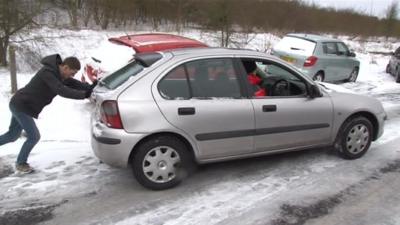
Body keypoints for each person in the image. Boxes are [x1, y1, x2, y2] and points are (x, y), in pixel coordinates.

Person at [0, 54, 96, 174]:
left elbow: (72, 83)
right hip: (21, 106)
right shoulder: (48, 73)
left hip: (22, 105)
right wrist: (84, 95)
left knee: (12, 135)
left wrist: (90, 87)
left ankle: (20, 162)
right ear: (65, 67)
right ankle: (21, 163)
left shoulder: (58, 74)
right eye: (72, 73)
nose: (72, 75)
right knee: (34, 136)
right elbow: (60, 89)